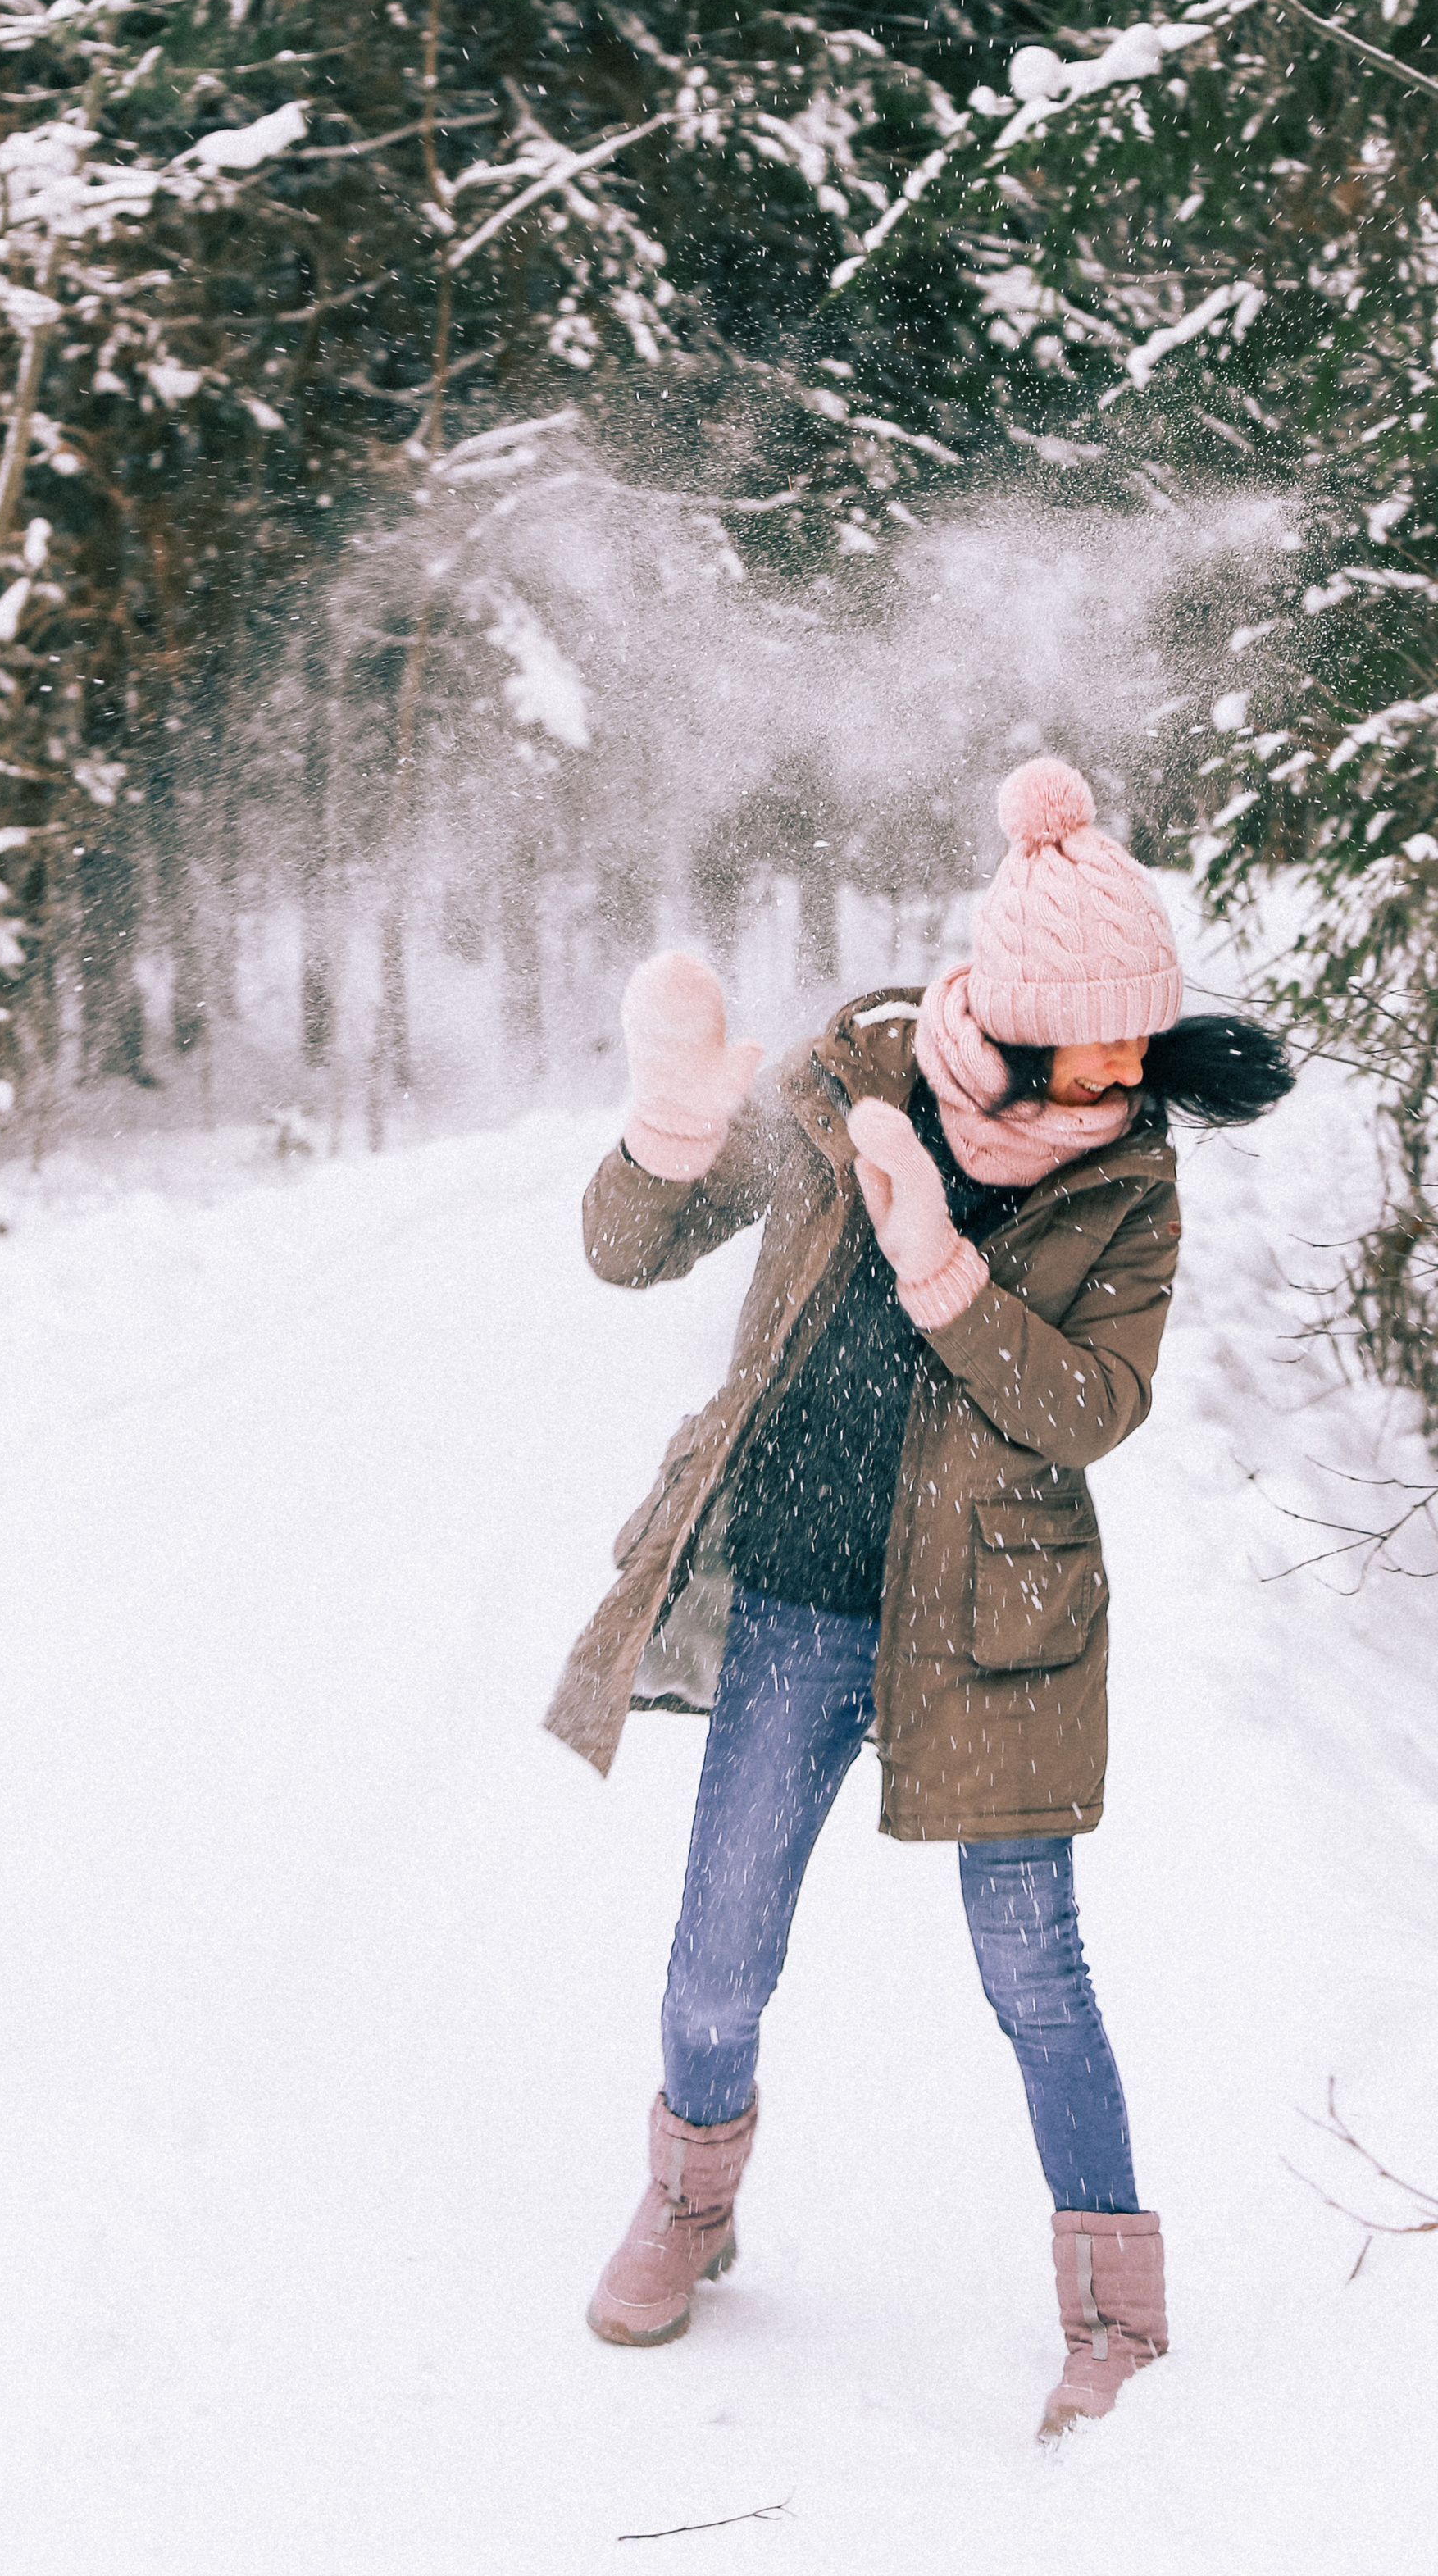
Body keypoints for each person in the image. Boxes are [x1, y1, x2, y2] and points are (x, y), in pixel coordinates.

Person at [545, 757, 1293, 2440]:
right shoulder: (845, 1086)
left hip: (995, 1624)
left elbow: (1090, 1406)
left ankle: (1113, 2313)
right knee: (719, 1950)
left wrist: (941, 1274)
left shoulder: (1126, 1180)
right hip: (803, 1589)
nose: (1119, 1079)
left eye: (1137, 1045)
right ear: (1004, 1018)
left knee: (1034, 1973)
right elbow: (625, 1249)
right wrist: (671, 1126)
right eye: (1087, 1048)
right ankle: (688, 2202)